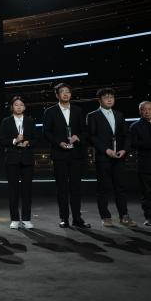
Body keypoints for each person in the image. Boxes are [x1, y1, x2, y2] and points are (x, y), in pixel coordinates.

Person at [43, 82, 90, 228]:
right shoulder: (50, 111)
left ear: (71, 94)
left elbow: (85, 131)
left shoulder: (78, 110)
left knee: (76, 187)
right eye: (62, 91)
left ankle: (77, 218)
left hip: (76, 154)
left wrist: (78, 137)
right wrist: (59, 143)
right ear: (57, 95)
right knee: (62, 188)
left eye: (68, 91)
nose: (65, 94)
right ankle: (64, 218)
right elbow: (46, 132)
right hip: (59, 154)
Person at [86, 88, 136, 227]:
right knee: (103, 188)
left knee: (120, 187)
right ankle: (105, 216)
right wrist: (106, 150)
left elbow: (126, 135)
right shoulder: (92, 115)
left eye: (111, 97)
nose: (109, 99)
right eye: (106, 97)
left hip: (119, 156)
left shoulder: (119, 115)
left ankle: (124, 216)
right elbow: (92, 136)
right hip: (103, 157)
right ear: (99, 100)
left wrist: (124, 150)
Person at [0, 96, 36, 229]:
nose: (19, 107)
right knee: (13, 190)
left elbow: (36, 139)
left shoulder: (30, 121)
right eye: (16, 105)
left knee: (27, 190)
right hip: (12, 159)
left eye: (21, 105)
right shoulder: (6, 121)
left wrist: (28, 142)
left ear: (24, 107)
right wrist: (14, 141)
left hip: (27, 159)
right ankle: (14, 219)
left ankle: (26, 219)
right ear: (12, 107)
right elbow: (1, 140)